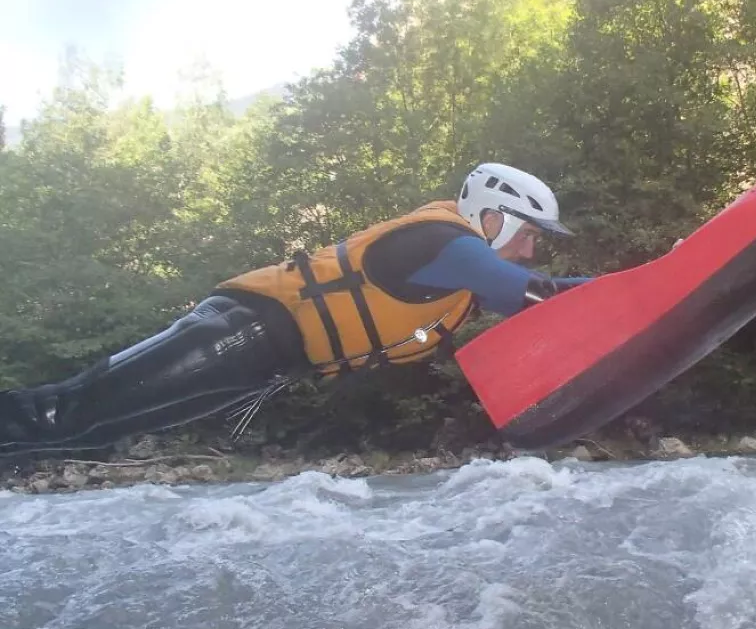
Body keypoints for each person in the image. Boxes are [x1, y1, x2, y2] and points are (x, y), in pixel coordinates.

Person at [0, 163, 592, 457]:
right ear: (495, 216)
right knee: (63, 414)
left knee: (84, 435)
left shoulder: (462, 277)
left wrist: (641, 282)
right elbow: (538, 293)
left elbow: (538, 303)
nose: (531, 246)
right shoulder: (445, 243)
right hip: (242, 330)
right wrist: (649, 280)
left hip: (264, 365)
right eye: (529, 233)